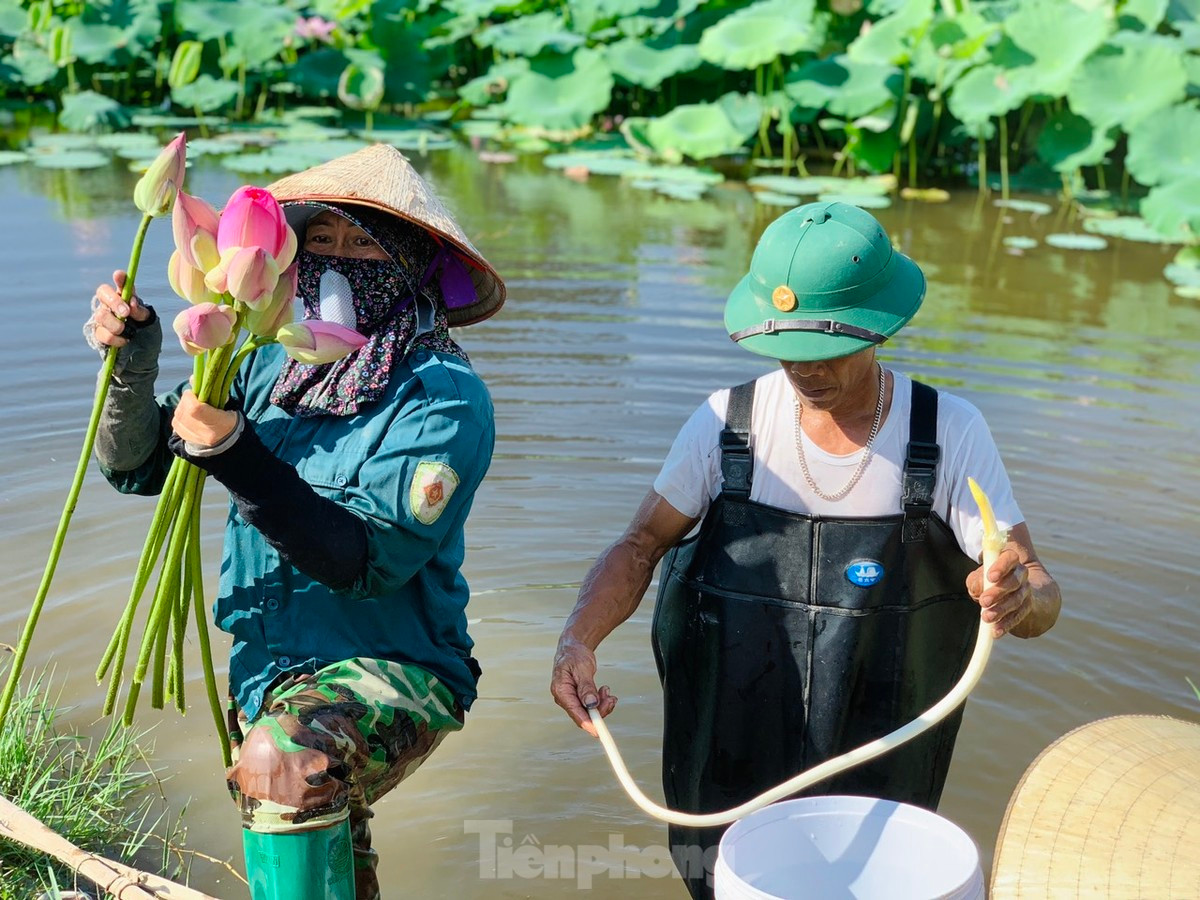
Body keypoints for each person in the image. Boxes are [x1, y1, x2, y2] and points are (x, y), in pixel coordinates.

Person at [550, 201, 1061, 898]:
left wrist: (1017, 595)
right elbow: (640, 546)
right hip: (728, 752)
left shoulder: (948, 433)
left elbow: (1038, 588)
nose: (803, 369)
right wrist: (577, 640)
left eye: (826, 350)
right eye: (786, 347)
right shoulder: (724, 425)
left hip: (882, 765)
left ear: (879, 328)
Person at [85, 144, 505, 900]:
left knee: (282, 765)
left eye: (365, 243)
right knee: (319, 835)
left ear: (410, 259)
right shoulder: (264, 359)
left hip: (395, 668)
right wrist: (135, 358)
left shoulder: (443, 395)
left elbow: (364, 562)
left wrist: (237, 454)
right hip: (270, 672)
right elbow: (138, 468)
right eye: (322, 239)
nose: (339, 259)